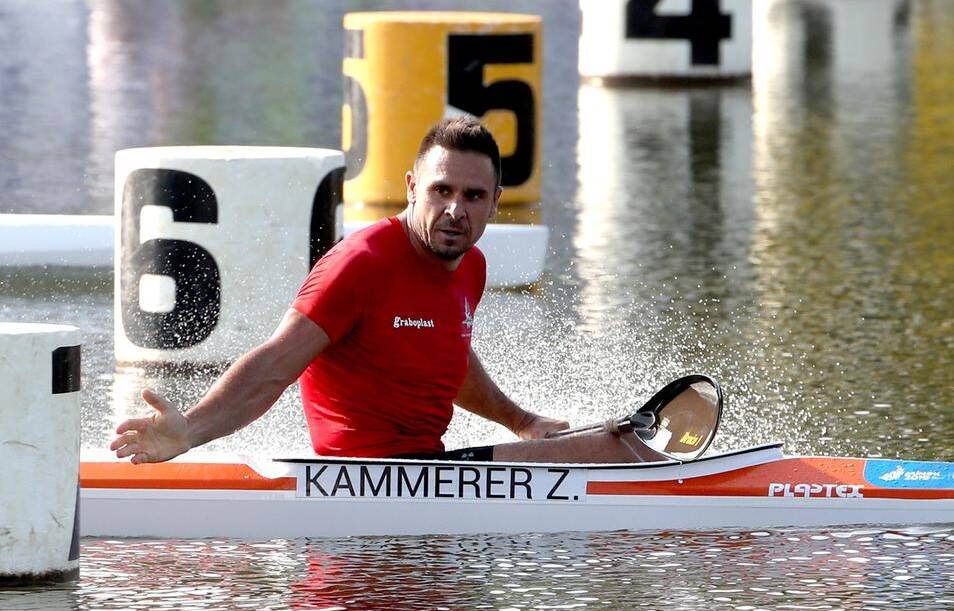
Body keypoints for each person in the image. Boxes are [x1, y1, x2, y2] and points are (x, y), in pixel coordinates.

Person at [110, 118, 666, 464]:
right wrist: (190, 432)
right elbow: (274, 366)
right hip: (363, 479)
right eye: (440, 190)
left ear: (496, 201)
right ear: (410, 188)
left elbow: (447, 354)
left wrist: (519, 420)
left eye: (474, 196)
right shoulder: (362, 265)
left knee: (611, 443)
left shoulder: (469, 265)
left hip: (429, 468)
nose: (455, 210)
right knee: (621, 448)